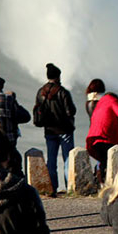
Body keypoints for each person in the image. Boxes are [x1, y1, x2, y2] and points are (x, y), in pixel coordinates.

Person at [34, 63, 77, 194]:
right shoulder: (63, 92)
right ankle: (69, 188)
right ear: (58, 76)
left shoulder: (41, 92)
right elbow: (70, 111)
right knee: (67, 159)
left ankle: (52, 188)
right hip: (64, 130)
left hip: (49, 130)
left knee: (51, 160)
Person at [0, 77, 30, 150]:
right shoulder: (9, 99)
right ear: (2, 86)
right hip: (8, 138)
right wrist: (15, 101)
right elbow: (25, 117)